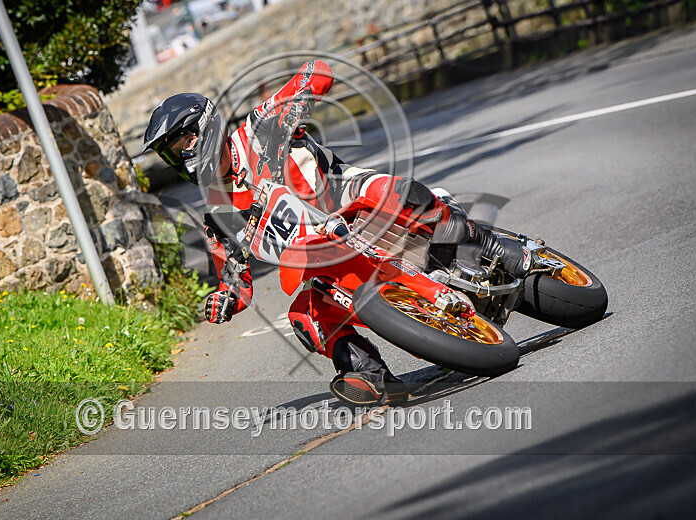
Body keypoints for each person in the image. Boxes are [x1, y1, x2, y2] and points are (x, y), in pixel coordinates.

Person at [142, 60, 531, 406]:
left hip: (352, 202)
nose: (182, 154)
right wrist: (225, 298)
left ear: (206, 126)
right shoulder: (217, 215)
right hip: (324, 259)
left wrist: (303, 92)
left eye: (184, 140)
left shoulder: (261, 128)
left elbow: (317, 71)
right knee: (304, 318)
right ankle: (372, 377)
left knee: (399, 194)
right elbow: (235, 279)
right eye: (172, 152)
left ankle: (489, 245)